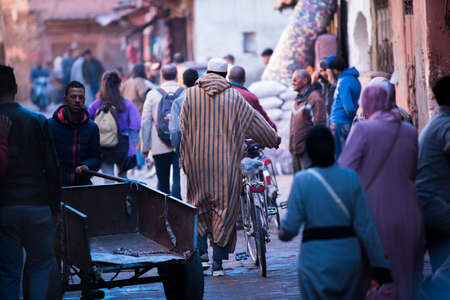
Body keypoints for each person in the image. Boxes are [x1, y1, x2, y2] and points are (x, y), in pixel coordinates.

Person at [179, 58, 281, 276]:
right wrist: (273, 139)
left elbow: (182, 130)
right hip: (226, 165)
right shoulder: (234, 97)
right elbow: (255, 123)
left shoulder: (189, 95)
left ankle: (202, 258)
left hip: (196, 163)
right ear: (225, 76)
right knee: (224, 211)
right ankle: (217, 264)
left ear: (206, 72)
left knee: (198, 207)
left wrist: (185, 158)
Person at [279, 125, 392, 299]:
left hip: (314, 261)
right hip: (348, 257)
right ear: (333, 147)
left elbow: (290, 229)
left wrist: (283, 230)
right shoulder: (351, 178)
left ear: (309, 151)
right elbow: (366, 228)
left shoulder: (302, 181)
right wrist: (381, 266)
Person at [339, 84, 424, 300]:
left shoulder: (363, 129)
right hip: (410, 210)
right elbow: (413, 169)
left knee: (375, 278)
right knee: (407, 275)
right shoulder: (409, 130)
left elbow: (344, 171)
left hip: (373, 211)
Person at [0, 65, 61, 299]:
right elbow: (53, 169)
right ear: (15, 89)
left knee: (8, 273)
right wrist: (55, 207)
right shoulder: (37, 121)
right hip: (37, 206)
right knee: (38, 267)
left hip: (5, 208)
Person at [416, 75, 450, 274]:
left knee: (440, 257)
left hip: (428, 202)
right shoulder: (445, 124)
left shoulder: (438, 121)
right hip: (435, 204)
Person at [89, 71, 141, 180]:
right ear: (118, 85)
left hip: (103, 146)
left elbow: (88, 124)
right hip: (123, 146)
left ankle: (110, 197)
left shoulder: (96, 105)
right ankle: (122, 197)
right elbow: (135, 126)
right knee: (123, 179)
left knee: (108, 180)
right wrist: (133, 145)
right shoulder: (126, 104)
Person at [142, 64, 183, 199]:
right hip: (181, 145)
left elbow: (146, 121)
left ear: (161, 76)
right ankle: (178, 213)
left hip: (159, 144)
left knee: (162, 183)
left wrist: (146, 147)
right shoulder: (186, 93)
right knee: (179, 182)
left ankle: (163, 214)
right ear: (177, 76)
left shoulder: (152, 94)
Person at [49, 81, 101, 186]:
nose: (77, 100)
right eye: (73, 97)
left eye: (80, 97)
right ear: (66, 99)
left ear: (84, 100)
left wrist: (87, 166)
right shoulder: (50, 125)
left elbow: (96, 158)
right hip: (56, 187)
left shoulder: (92, 128)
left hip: (82, 186)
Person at [289, 69, 327, 173]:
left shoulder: (315, 99)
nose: (292, 82)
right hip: (296, 150)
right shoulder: (298, 100)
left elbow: (319, 127)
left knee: (310, 184)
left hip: (308, 152)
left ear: (305, 80)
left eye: (295, 80)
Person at [326, 55, 361, 158]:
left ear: (335, 70)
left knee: (340, 158)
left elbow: (349, 107)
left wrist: (349, 119)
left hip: (341, 124)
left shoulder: (344, 82)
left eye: (329, 71)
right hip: (345, 123)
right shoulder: (353, 79)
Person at [228, 65, 277, 131]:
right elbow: (263, 118)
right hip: (245, 139)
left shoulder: (222, 93)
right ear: (244, 79)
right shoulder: (250, 97)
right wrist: (273, 129)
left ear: (228, 78)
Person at [169, 68, 198, 153]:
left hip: (187, 149)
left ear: (183, 82)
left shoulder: (178, 102)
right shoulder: (206, 98)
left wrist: (177, 148)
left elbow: (175, 130)